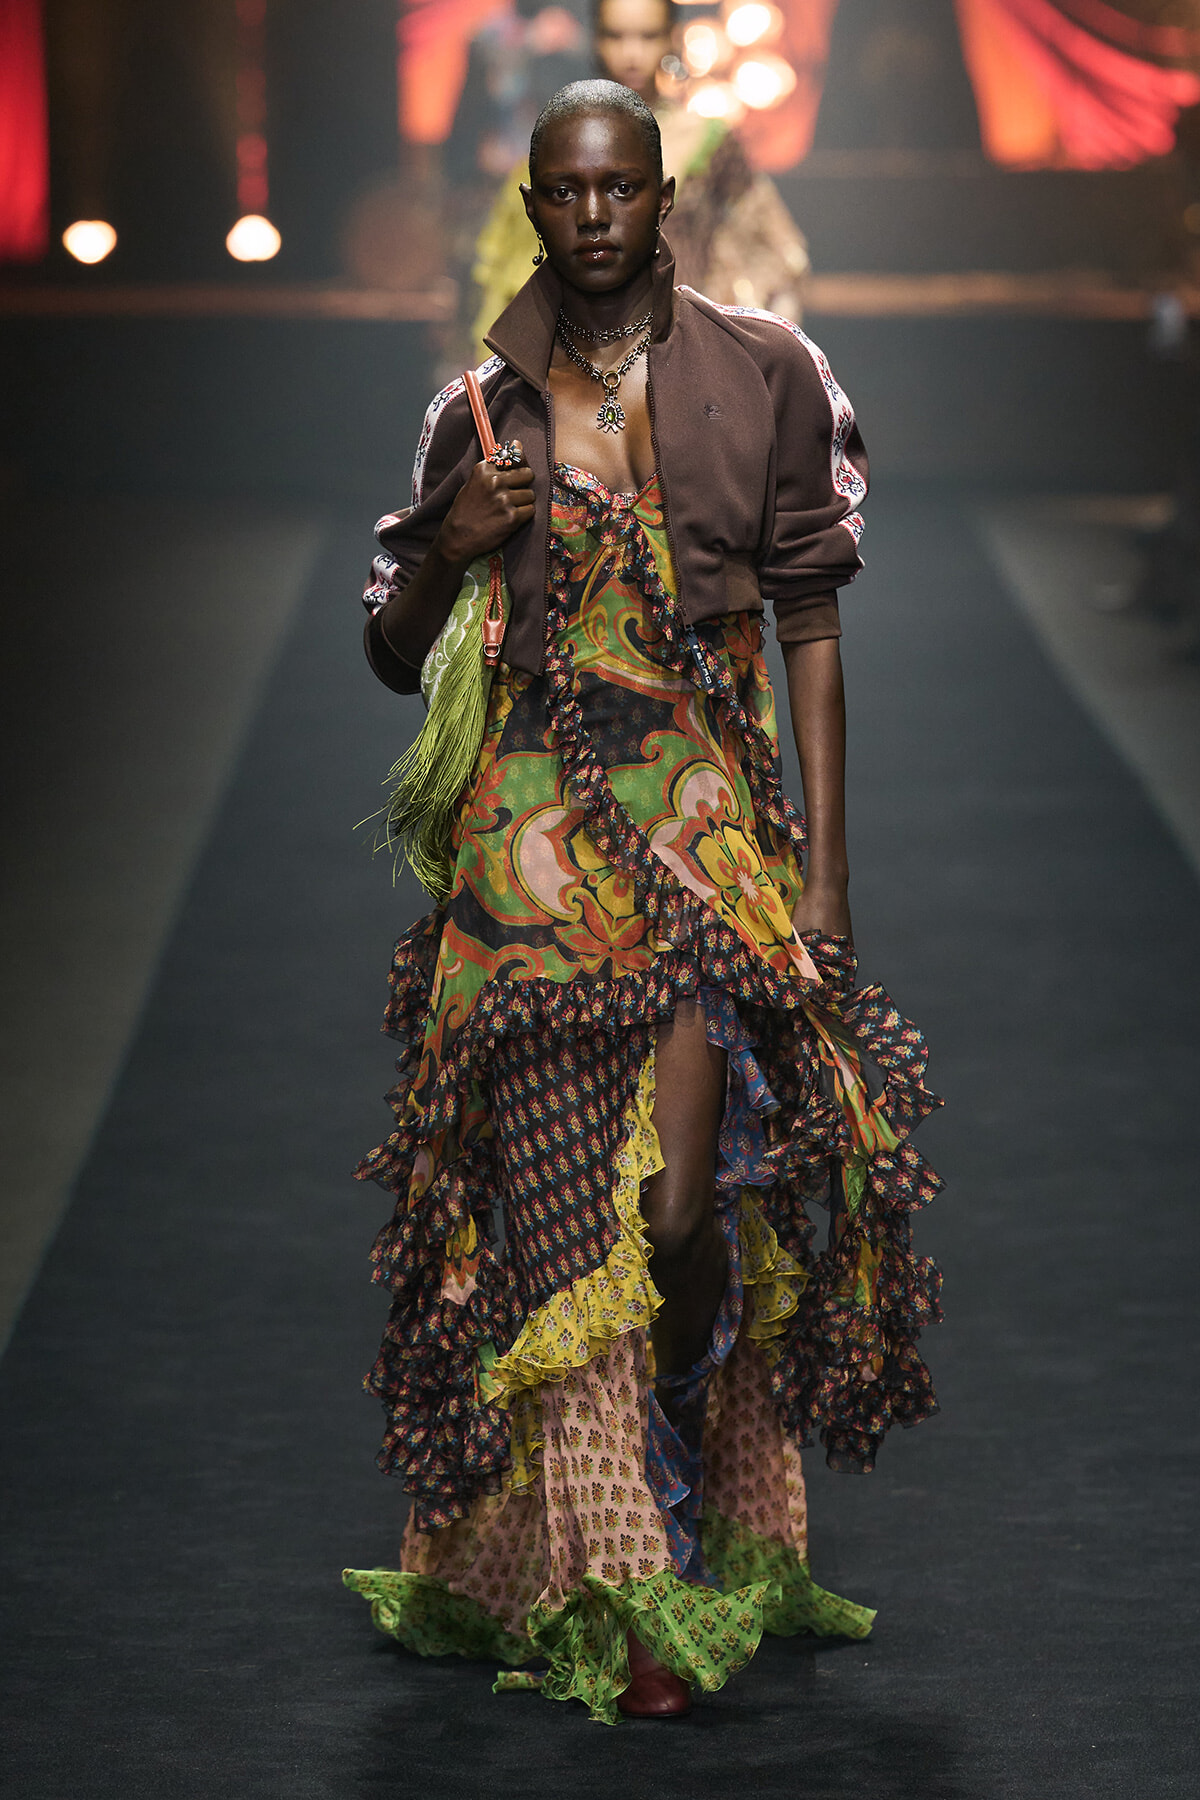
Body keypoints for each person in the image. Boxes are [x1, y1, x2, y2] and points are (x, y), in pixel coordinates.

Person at [344, 80, 942, 1723]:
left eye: (620, 190)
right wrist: (459, 547)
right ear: (533, 206)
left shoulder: (767, 374)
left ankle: (674, 1435)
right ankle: (620, 1586)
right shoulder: (479, 409)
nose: (594, 218)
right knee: (557, 1217)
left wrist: (824, 870)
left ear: (662, 195)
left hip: (693, 835)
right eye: (566, 194)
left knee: (681, 1209)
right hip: (524, 854)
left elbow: (811, 621)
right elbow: (391, 647)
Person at [471, 0, 810, 354]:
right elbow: (515, 273)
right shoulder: (558, 143)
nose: (631, 54)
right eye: (615, 36)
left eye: (648, 36)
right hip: (580, 353)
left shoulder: (707, 141)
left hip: (685, 350)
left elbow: (773, 248)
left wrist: (761, 359)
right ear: (595, 39)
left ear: (671, 38)